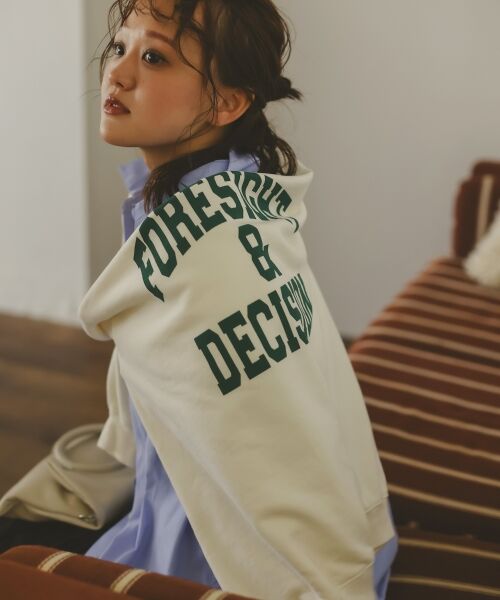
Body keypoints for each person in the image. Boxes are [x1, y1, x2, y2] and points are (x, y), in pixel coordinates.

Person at [79, 0, 399, 598]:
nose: (117, 74)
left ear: (227, 103)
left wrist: (337, 583)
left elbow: (274, 441)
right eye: (119, 48)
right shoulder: (240, 191)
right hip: (181, 505)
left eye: (154, 58)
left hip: (221, 562)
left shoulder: (205, 257)